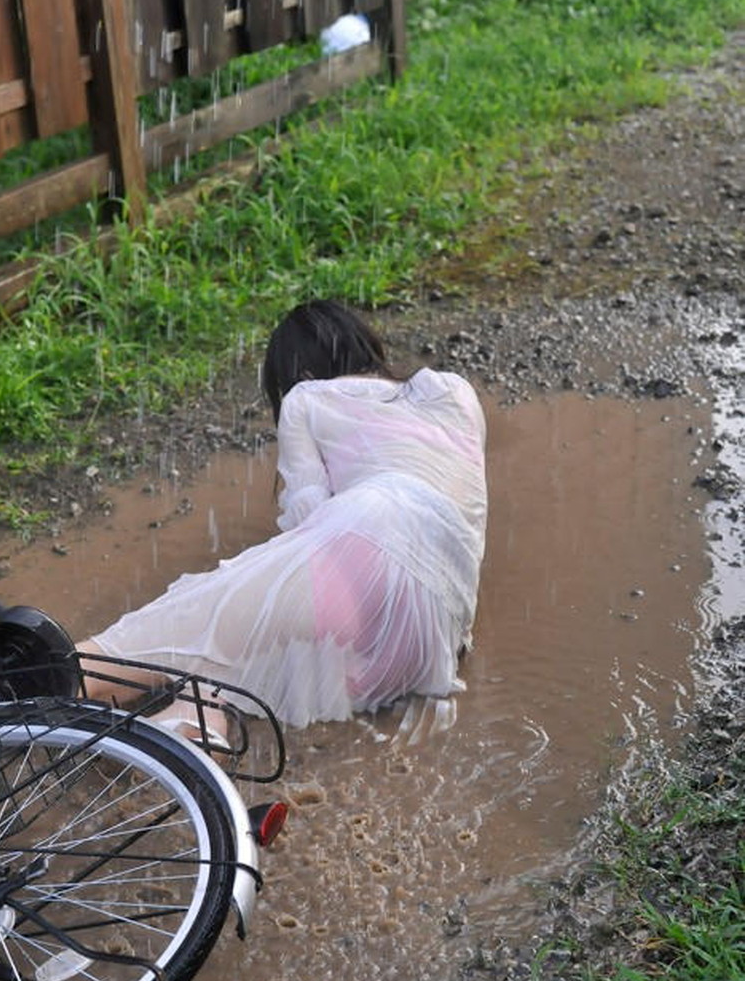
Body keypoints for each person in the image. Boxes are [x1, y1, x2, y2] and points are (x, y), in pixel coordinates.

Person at [80, 300, 487, 730]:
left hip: (372, 525)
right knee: (224, 672)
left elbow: (309, 525)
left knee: (191, 622)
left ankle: (54, 675)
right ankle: (188, 738)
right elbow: (469, 504)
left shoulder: (306, 397)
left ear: (301, 373)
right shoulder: (453, 391)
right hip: (435, 640)